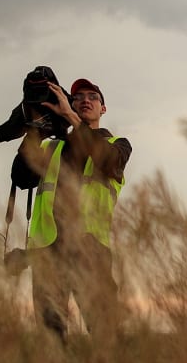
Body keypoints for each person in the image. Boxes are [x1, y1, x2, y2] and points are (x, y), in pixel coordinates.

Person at [13, 78, 132, 343]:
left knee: (106, 336)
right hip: (48, 253)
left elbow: (107, 160)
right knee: (50, 343)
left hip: (91, 252)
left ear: (103, 109)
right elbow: (21, 177)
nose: (85, 100)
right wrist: (35, 126)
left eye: (93, 97)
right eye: (78, 98)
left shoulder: (118, 144)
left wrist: (69, 116)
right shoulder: (51, 147)